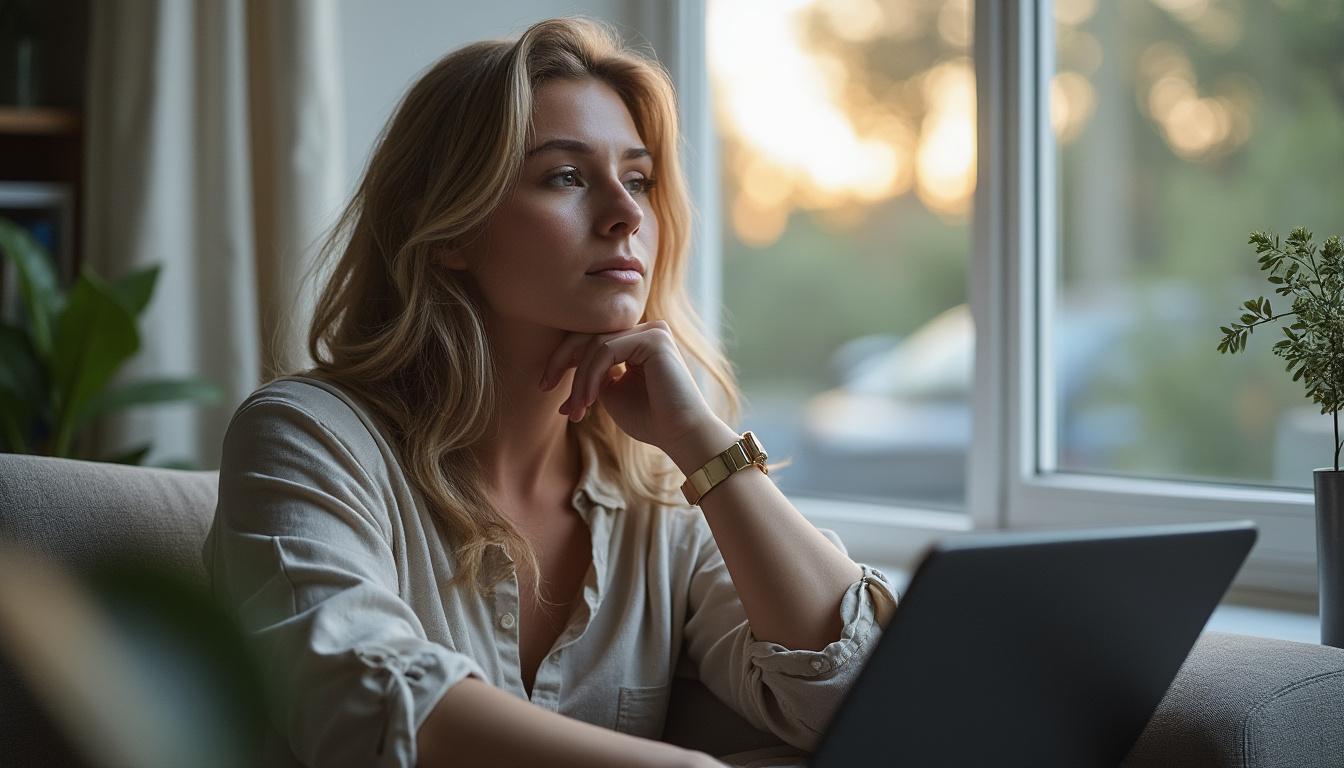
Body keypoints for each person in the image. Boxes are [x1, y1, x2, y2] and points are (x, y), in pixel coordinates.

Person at [203, 16, 898, 768]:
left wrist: (702, 440)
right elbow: (364, 702)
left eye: (637, 179)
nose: (627, 213)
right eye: (566, 176)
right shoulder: (308, 440)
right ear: (447, 231)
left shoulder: (659, 491)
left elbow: (862, 698)